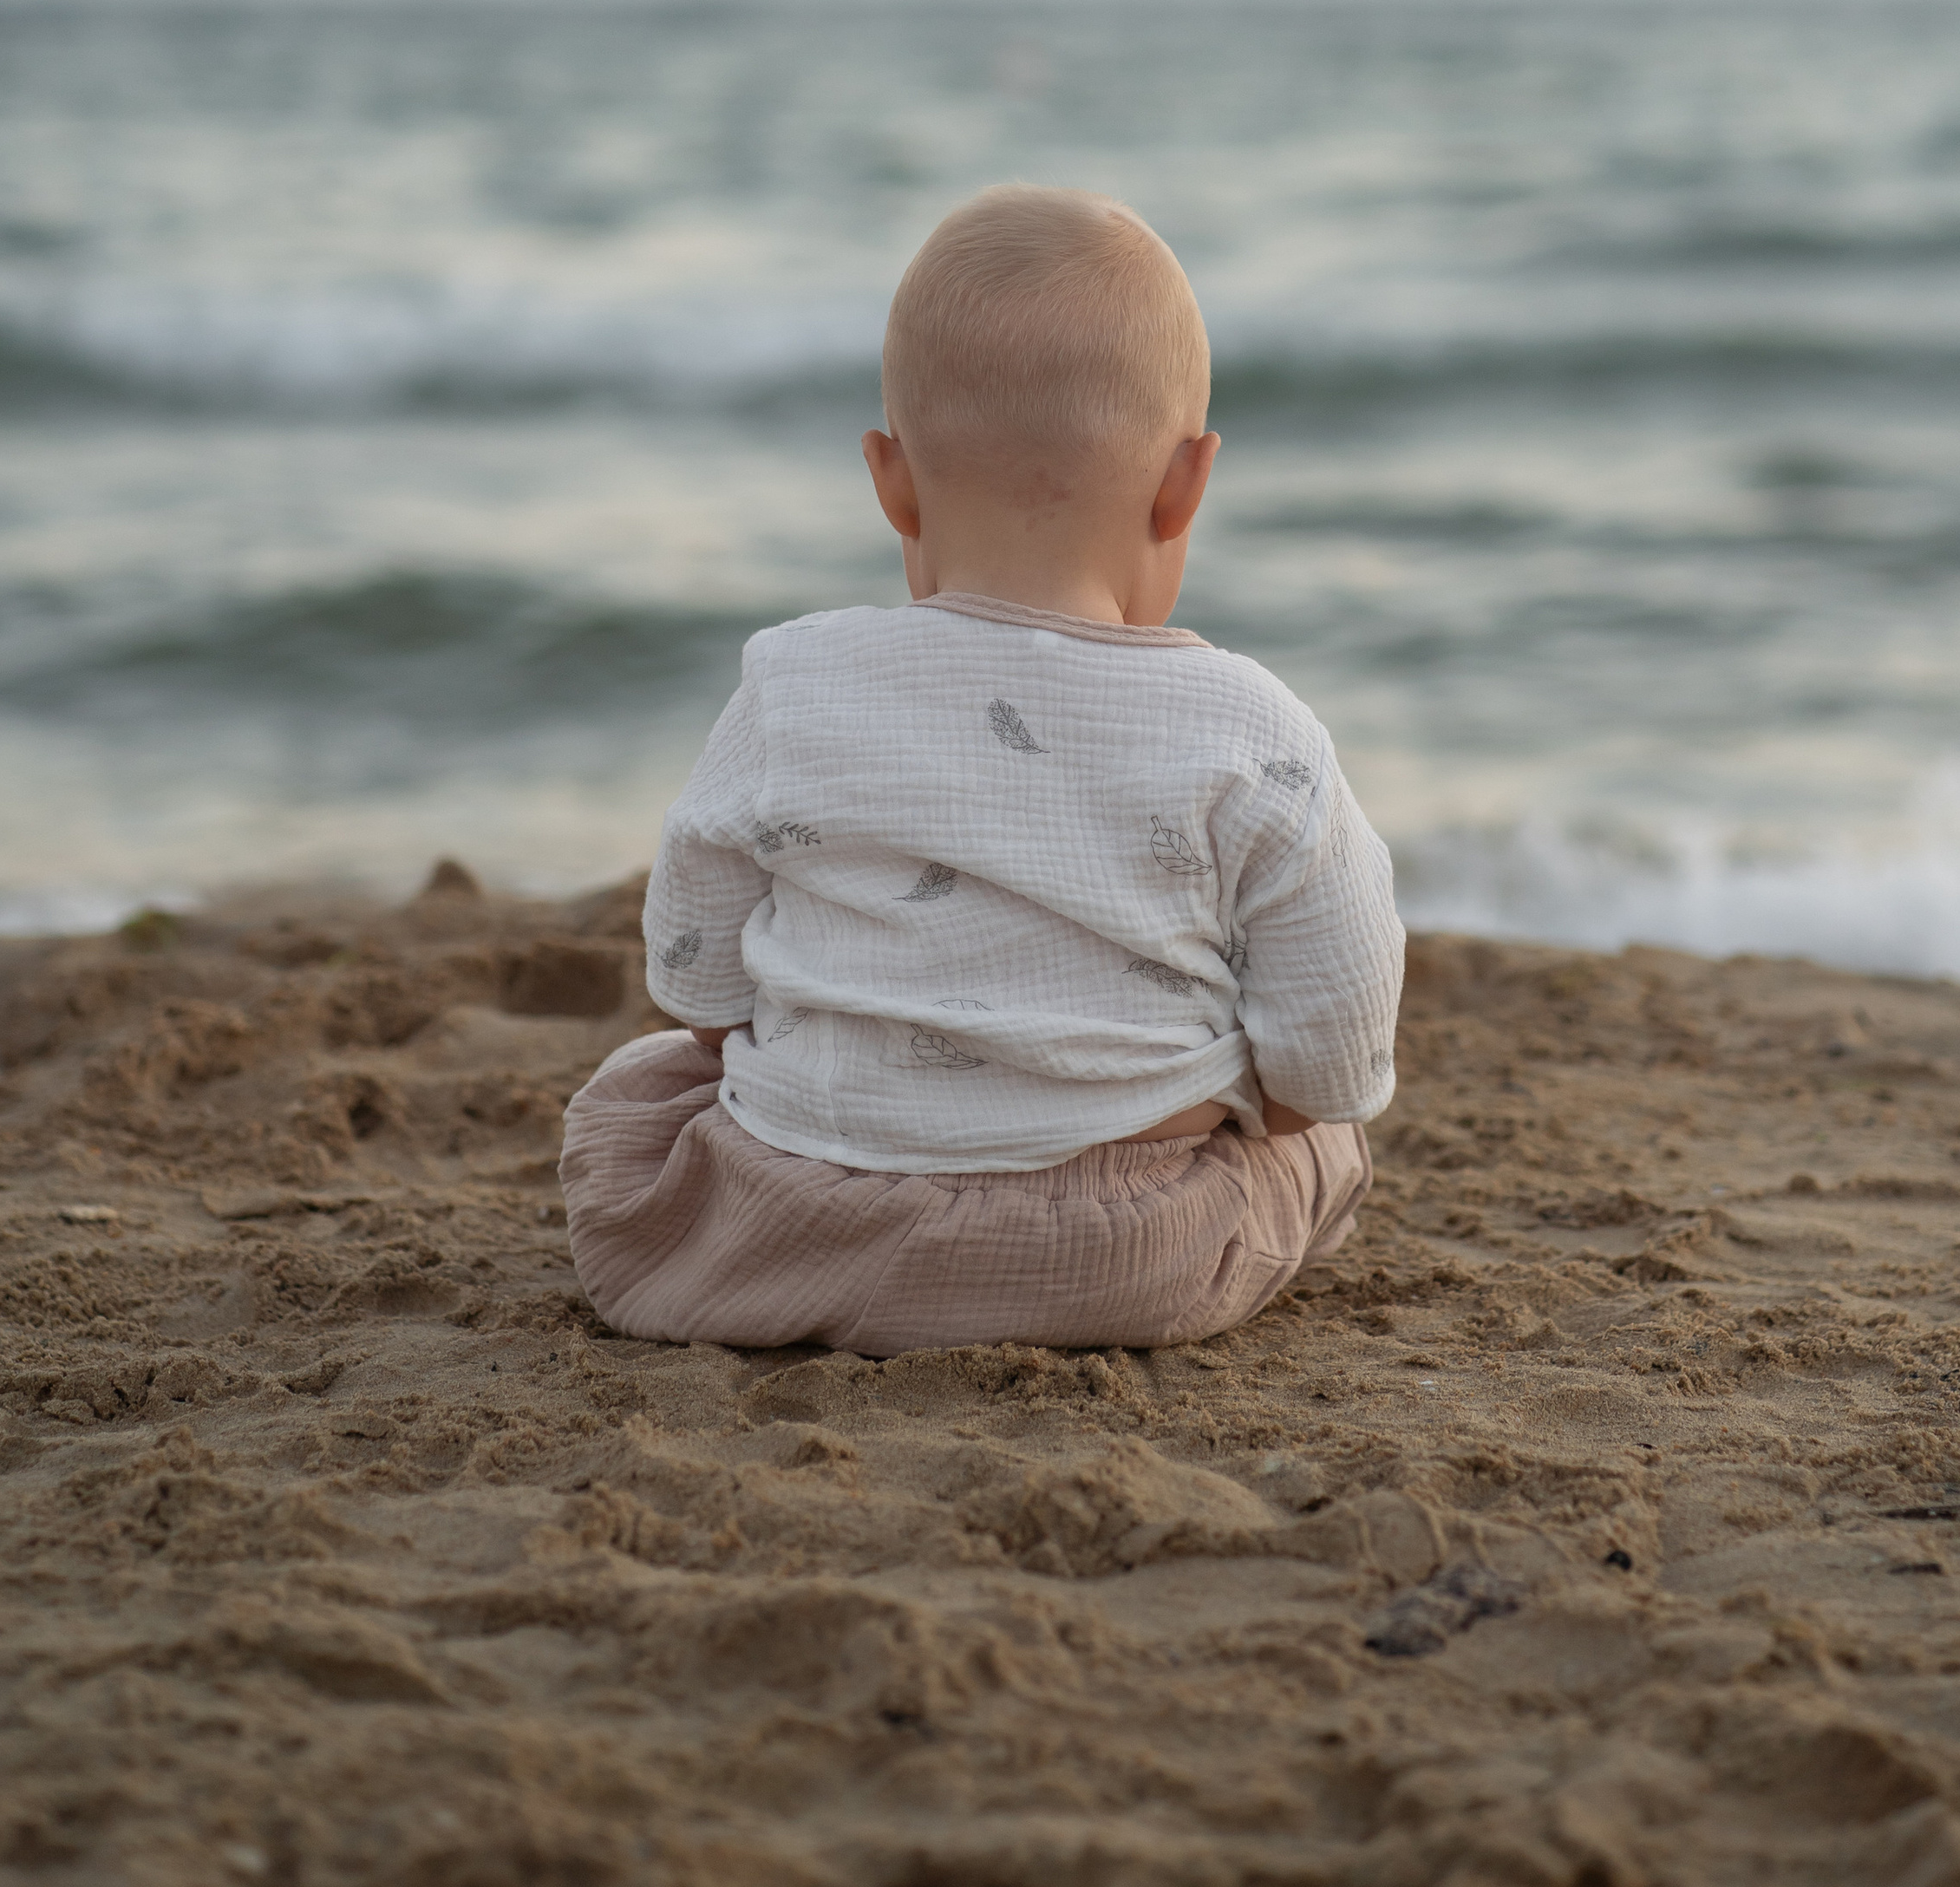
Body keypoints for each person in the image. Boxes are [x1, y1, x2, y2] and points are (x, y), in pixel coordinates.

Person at [559, 185, 1404, 1355]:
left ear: (890, 479)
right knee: (1328, 1149)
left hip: (801, 1227)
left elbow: (697, 988)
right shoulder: (1252, 727)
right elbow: (1331, 1056)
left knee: (638, 1088)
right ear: (1186, 485)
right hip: (1121, 1255)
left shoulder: (793, 683)